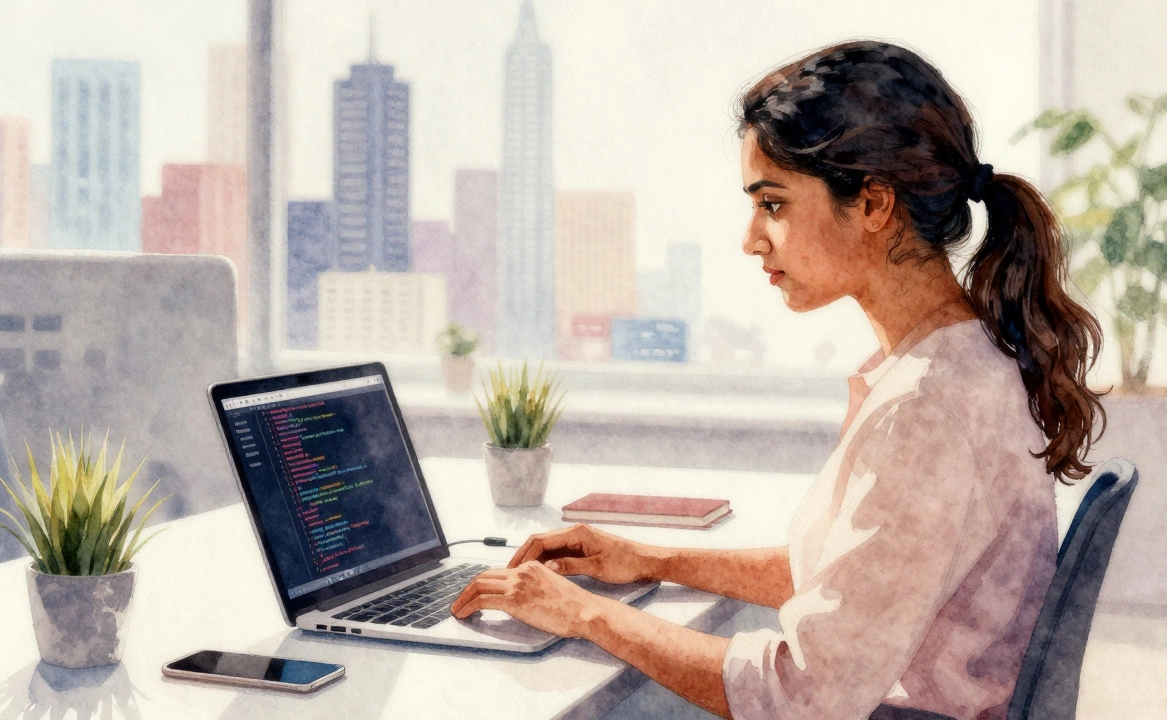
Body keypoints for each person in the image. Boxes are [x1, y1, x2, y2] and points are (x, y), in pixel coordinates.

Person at [451, 40, 1105, 720]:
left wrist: (584, 615)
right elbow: (849, 582)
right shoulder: (954, 365)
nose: (751, 240)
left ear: (874, 205)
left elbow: (803, 694)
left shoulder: (929, 408)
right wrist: (649, 559)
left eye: (773, 204)